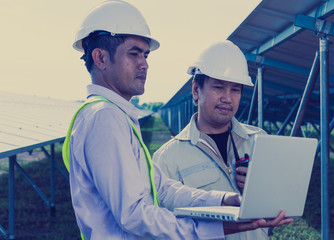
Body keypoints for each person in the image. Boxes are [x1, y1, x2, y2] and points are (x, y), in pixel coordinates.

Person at [63, 1, 293, 239]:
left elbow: (164, 189)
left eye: (146, 55)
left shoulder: (115, 116)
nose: (144, 64)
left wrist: (226, 199)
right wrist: (219, 227)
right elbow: (134, 214)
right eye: (134, 54)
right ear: (100, 58)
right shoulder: (104, 117)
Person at [153, 40, 275, 239]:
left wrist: (262, 191)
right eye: (219, 87)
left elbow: (278, 207)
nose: (227, 97)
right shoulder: (167, 158)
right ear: (196, 90)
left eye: (235, 89)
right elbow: (162, 227)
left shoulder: (260, 141)